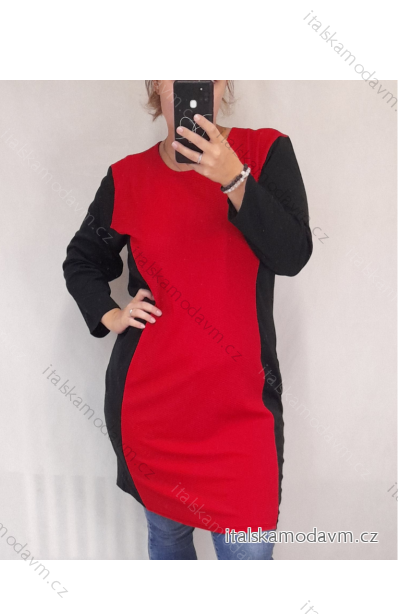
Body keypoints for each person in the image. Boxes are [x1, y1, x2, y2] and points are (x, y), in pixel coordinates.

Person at [63, 80, 313, 560]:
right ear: (155, 84)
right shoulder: (126, 177)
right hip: (154, 417)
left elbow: (292, 254)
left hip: (243, 416)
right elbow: (82, 260)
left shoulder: (265, 152)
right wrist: (111, 313)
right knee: (169, 543)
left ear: (224, 83)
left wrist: (234, 178)